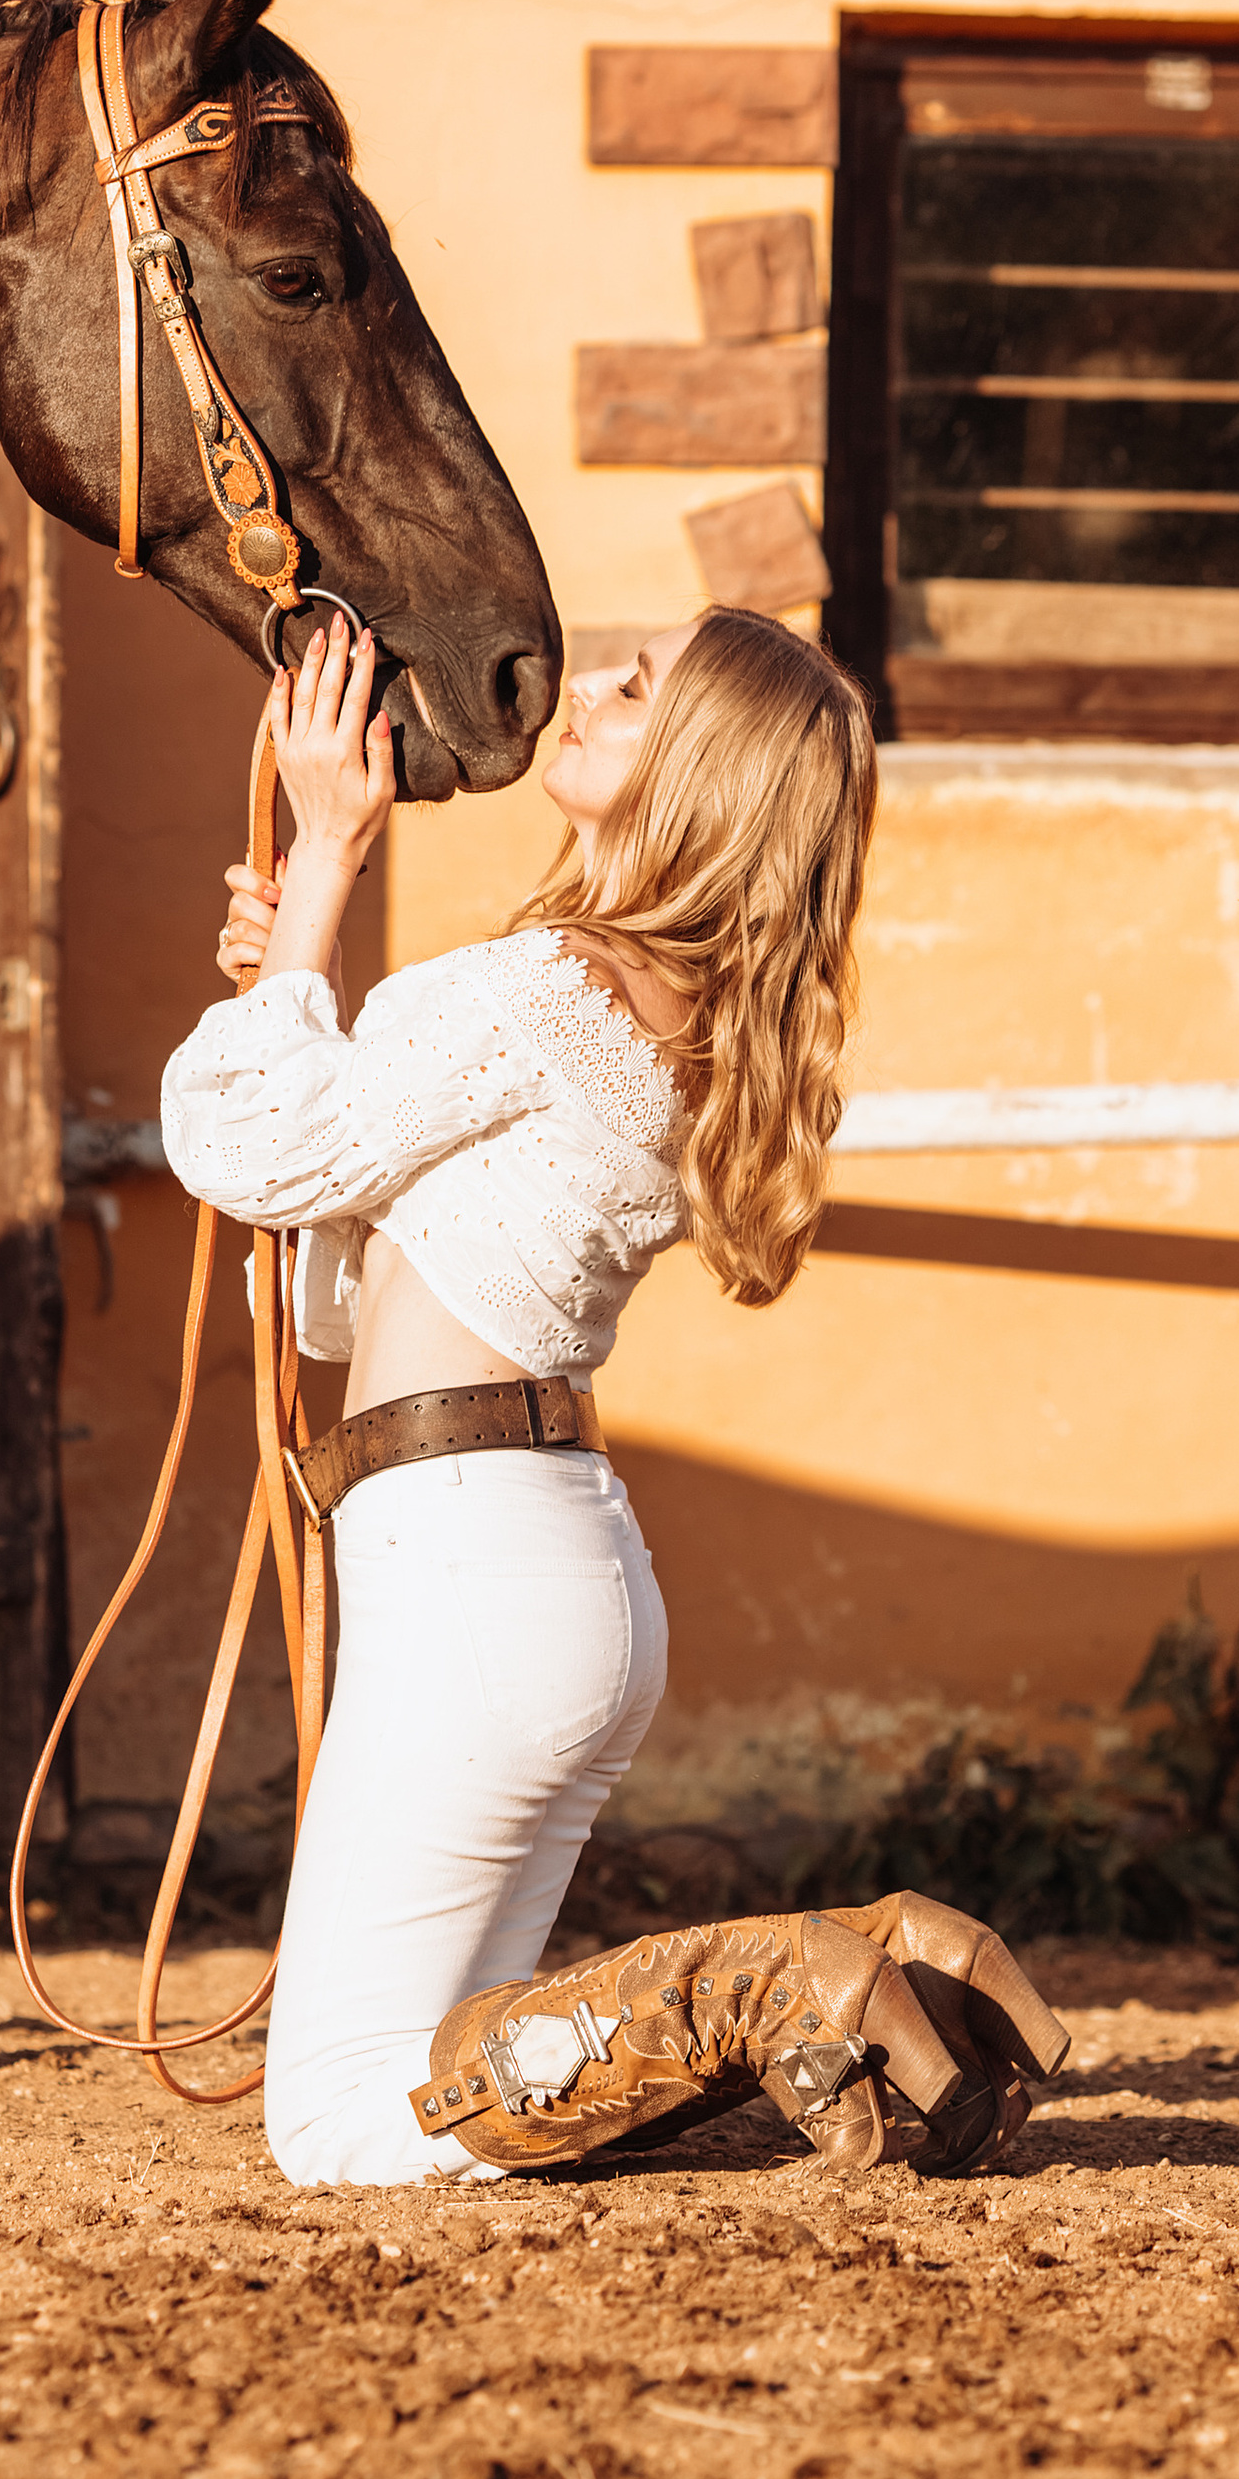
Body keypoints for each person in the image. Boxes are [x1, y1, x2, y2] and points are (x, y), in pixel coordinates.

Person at [159, 606, 1066, 2190]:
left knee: (338, 2124)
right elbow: (329, 1285)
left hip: (469, 1574)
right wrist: (294, 965)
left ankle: (777, 1978)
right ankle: (867, 1969)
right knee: (461, 2083)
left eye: (637, 691)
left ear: (700, 769)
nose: (584, 691)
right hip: (537, 1566)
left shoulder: (540, 989)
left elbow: (249, 1144)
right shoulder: (663, 1020)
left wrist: (324, 860)